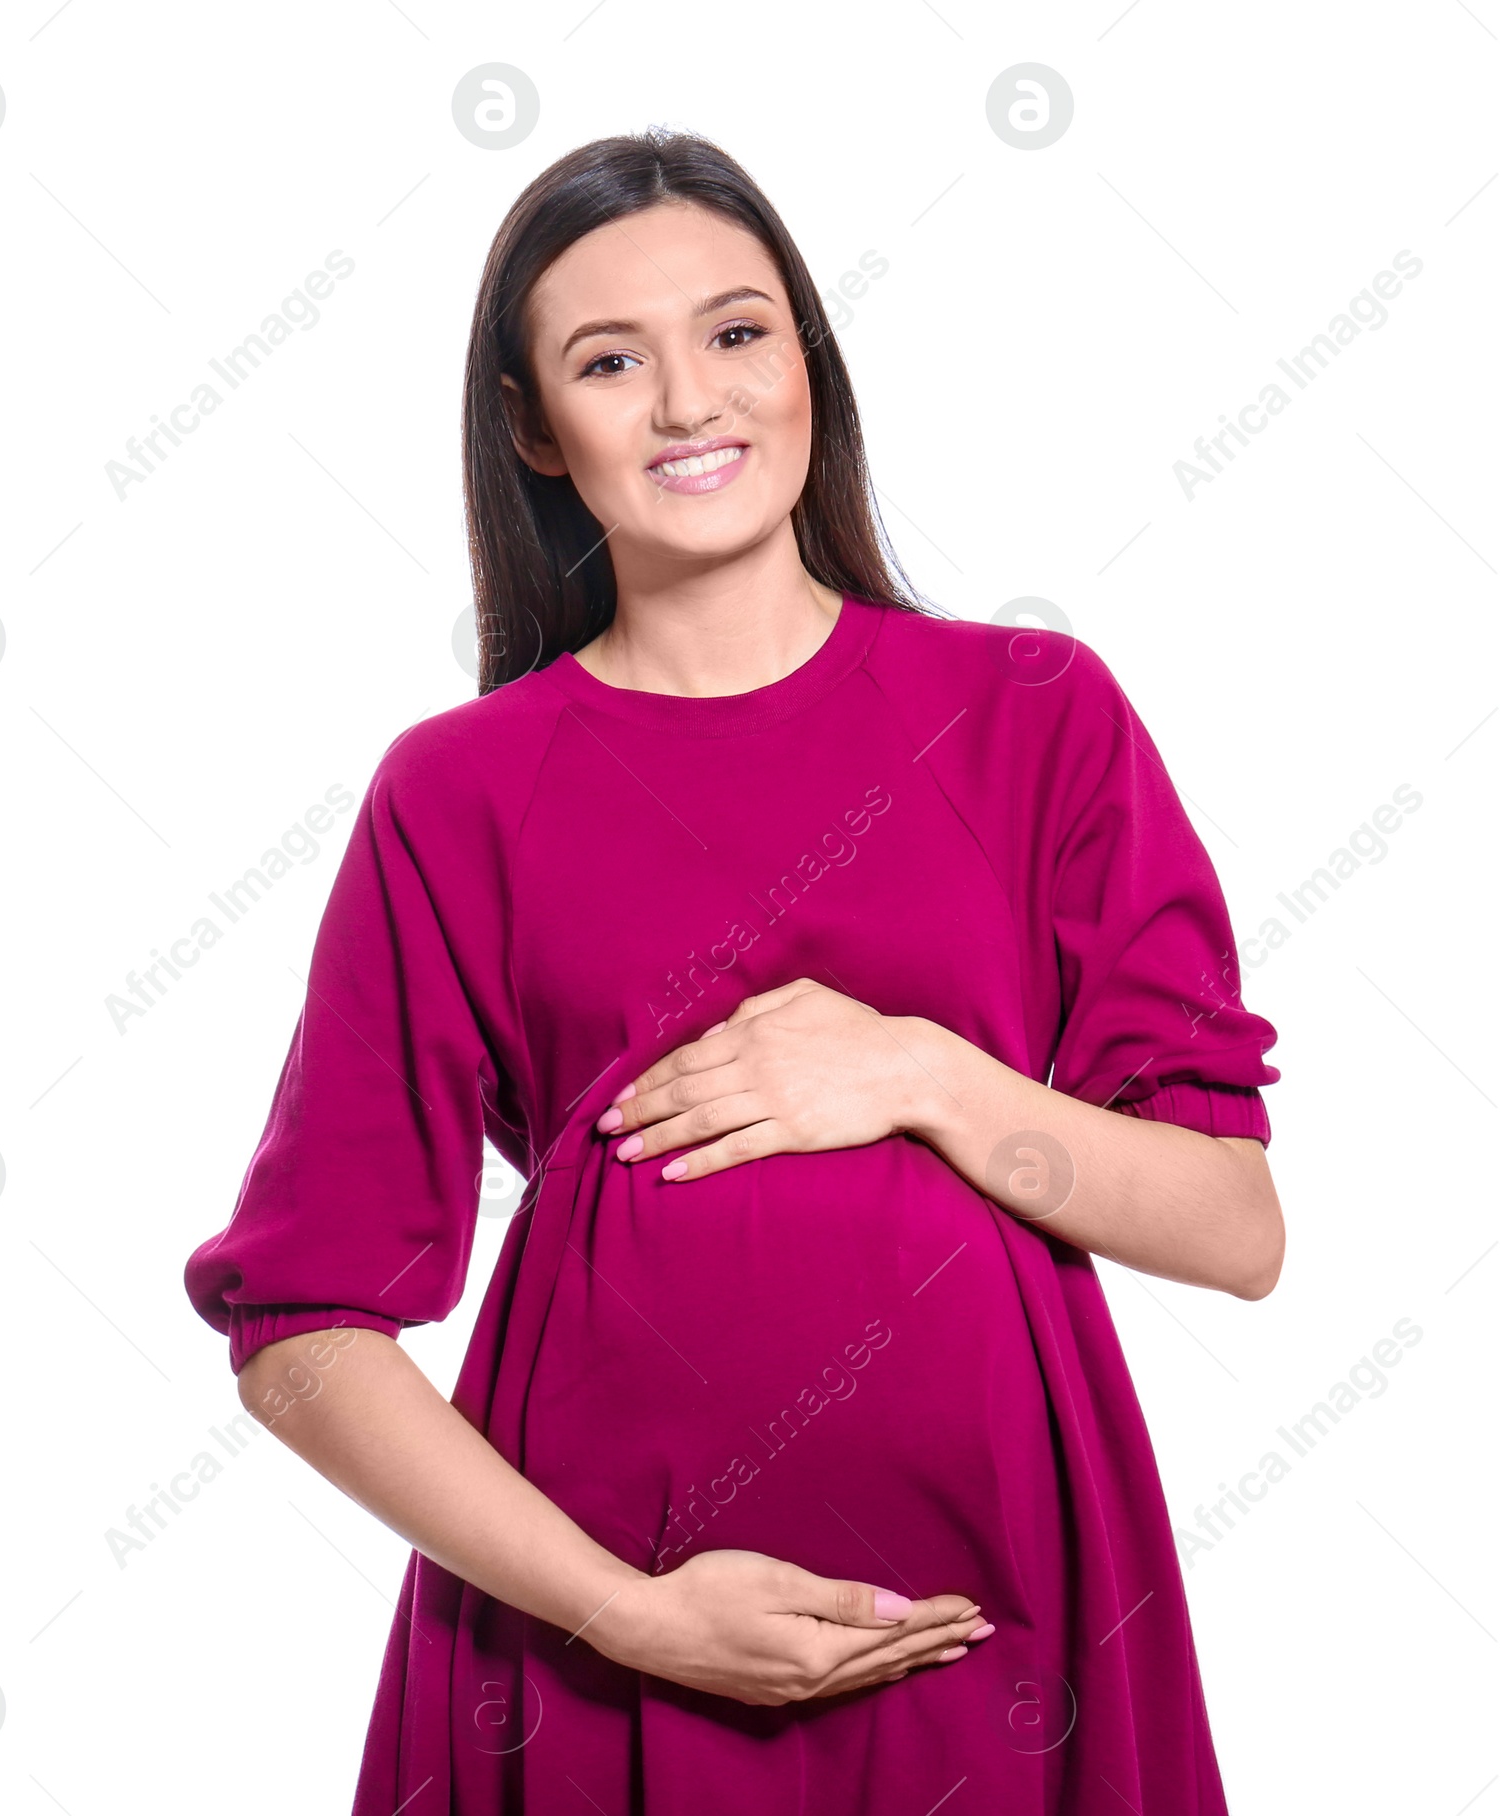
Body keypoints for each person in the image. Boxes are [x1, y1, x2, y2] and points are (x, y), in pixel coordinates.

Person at [184, 127, 1283, 1815]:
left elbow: (1232, 1228)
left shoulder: (1031, 715)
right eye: (610, 361)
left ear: (810, 366)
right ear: (538, 430)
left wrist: (921, 1073)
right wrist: (628, 1616)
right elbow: (302, 1334)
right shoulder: (458, 791)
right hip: (593, 1644)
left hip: (1006, 1628)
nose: (691, 401)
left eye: (738, 332)